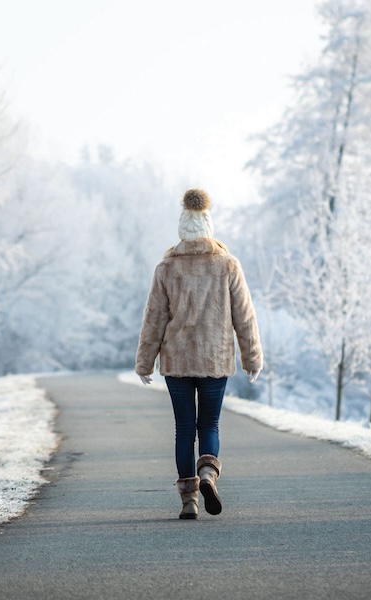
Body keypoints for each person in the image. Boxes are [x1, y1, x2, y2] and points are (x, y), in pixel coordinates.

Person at [135, 188, 262, 520]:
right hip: (214, 359)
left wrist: (144, 362)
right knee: (210, 423)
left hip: (176, 362)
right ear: (209, 226)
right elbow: (244, 315)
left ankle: (189, 500)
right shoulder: (227, 264)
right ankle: (208, 471)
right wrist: (252, 358)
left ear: (182, 228)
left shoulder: (166, 267)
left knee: (183, 429)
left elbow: (154, 318)